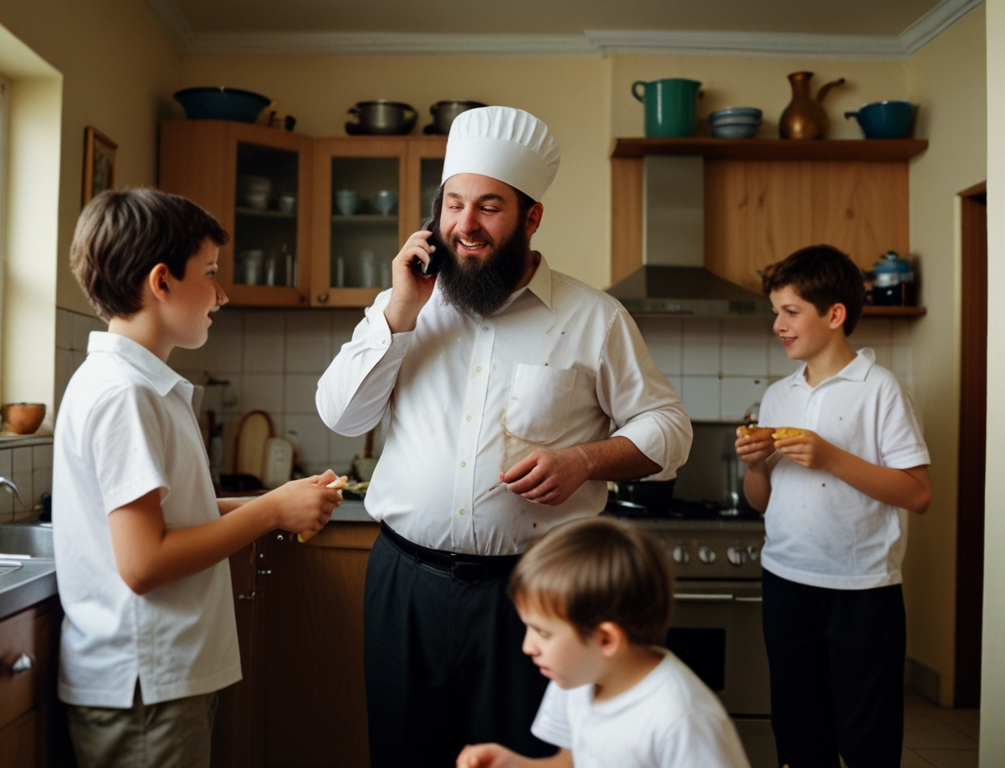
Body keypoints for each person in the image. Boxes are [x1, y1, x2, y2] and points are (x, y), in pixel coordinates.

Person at [317, 106, 692, 766]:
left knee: (519, 760)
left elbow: (670, 430)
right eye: (453, 204)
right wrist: (400, 310)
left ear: (531, 217)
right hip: (405, 586)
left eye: (489, 206)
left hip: (534, 600)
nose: (465, 225)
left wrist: (586, 459)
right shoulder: (407, 306)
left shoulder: (593, 318)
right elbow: (341, 416)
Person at [55, 188, 344, 768]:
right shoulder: (123, 394)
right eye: (210, 273)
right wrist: (270, 512)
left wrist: (281, 500)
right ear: (161, 281)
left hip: (160, 681)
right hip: (146, 686)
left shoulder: (139, 385)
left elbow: (173, 517)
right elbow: (145, 564)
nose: (222, 293)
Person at [735, 244, 932, 767]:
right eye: (776, 311)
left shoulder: (882, 390)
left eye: (790, 311)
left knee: (868, 738)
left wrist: (830, 457)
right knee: (798, 733)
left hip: (862, 589)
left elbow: (918, 493)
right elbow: (761, 501)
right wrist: (756, 466)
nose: (778, 324)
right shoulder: (778, 394)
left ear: (835, 315)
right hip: (786, 581)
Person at [455, 516, 751, 768]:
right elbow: (571, 762)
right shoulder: (577, 676)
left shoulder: (682, 719)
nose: (527, 647)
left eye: (542, 632)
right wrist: (515, 764)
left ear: (606, 640)